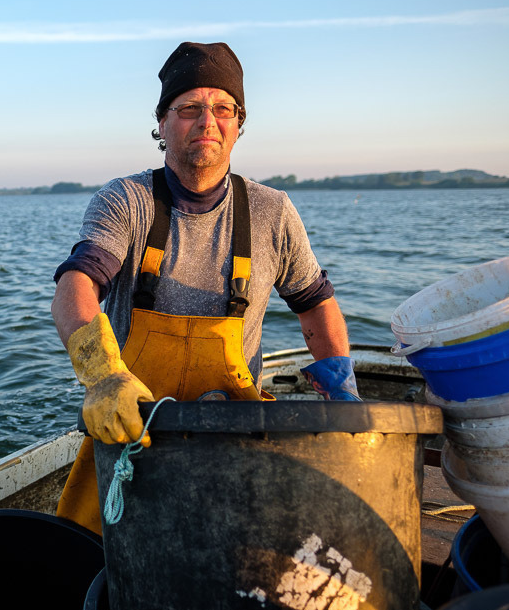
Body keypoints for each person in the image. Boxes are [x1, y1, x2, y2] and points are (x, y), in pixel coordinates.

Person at [50, 41, 359, 534]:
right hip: (134, 426)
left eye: (222, 108)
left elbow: (315, 306)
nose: (207, 121)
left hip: (234, 434)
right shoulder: (127, 201)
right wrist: (103, 375)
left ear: (239, 122)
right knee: (88, 552)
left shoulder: (271, 211)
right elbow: (77, 283)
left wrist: (343, 399)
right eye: (189, 108)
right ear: (162, 124)